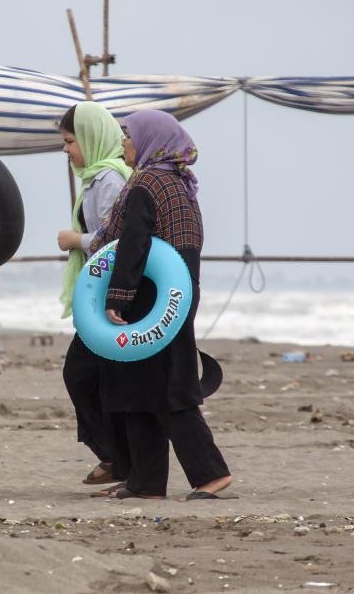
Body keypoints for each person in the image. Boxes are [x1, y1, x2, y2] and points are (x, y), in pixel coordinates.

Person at [95, 109, 231, 500]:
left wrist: (118, 296)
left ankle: (211, 474)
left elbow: (133, 244)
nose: (124, 144)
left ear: (149, 140)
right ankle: (146, 481)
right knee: (144, 387)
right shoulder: (178, 183)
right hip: (180, 293)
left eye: (129, 136)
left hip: (150, 296)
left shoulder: (147, 183)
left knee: (168, 388)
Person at [56, 102, 132, 486]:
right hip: (99, 297)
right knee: (90, 376)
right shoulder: (94, 179)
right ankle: (114, 456)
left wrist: (76, 239)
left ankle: (117, 457)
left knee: (82, 374)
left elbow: (115, 241)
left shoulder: (110, 182)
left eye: (70, 141)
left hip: (111, 299)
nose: (66, 149)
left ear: (90, 138)